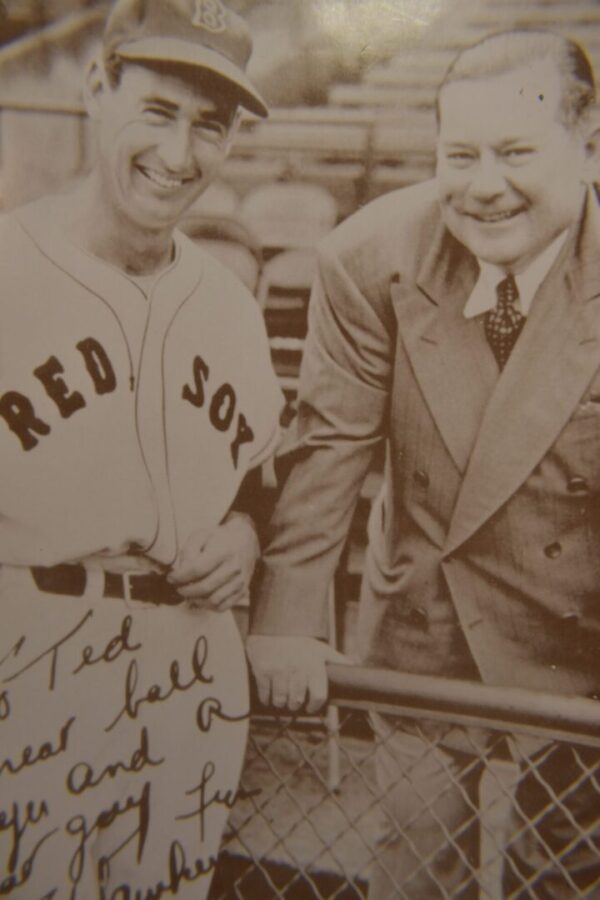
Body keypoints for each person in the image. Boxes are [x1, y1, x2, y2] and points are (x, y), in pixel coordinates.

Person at [247, 29, 600, 897]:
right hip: (426, 627)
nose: (484, 186)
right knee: (411, 879)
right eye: (460, 154)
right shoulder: (369, 258)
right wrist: (289, 623)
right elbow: (330, 445)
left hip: (581, 643)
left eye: (516, 152)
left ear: (587, 141)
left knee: (563, 880)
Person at [0, 0, 282, 896]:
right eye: (158, 111)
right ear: (96, 85)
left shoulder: (231, 307)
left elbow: (257, 480)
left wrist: (242, 536)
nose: (180, 154)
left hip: (189, 668)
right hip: (34, 645)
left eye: (211, 127)